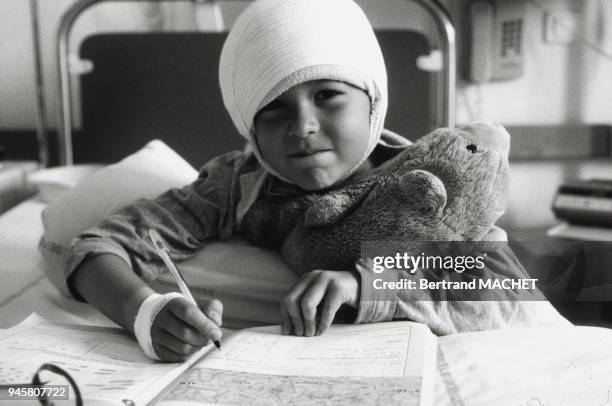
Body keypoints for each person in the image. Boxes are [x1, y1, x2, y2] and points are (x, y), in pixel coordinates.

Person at [66, 0, 567, 362]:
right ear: (248, 125)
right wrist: (146, 312)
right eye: (274, 107)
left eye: (327, 95)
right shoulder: (237, 186)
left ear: (373, 101)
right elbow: (96, 248)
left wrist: (364, 285)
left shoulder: (435, 184)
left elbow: (500, 292)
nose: (302, 126)